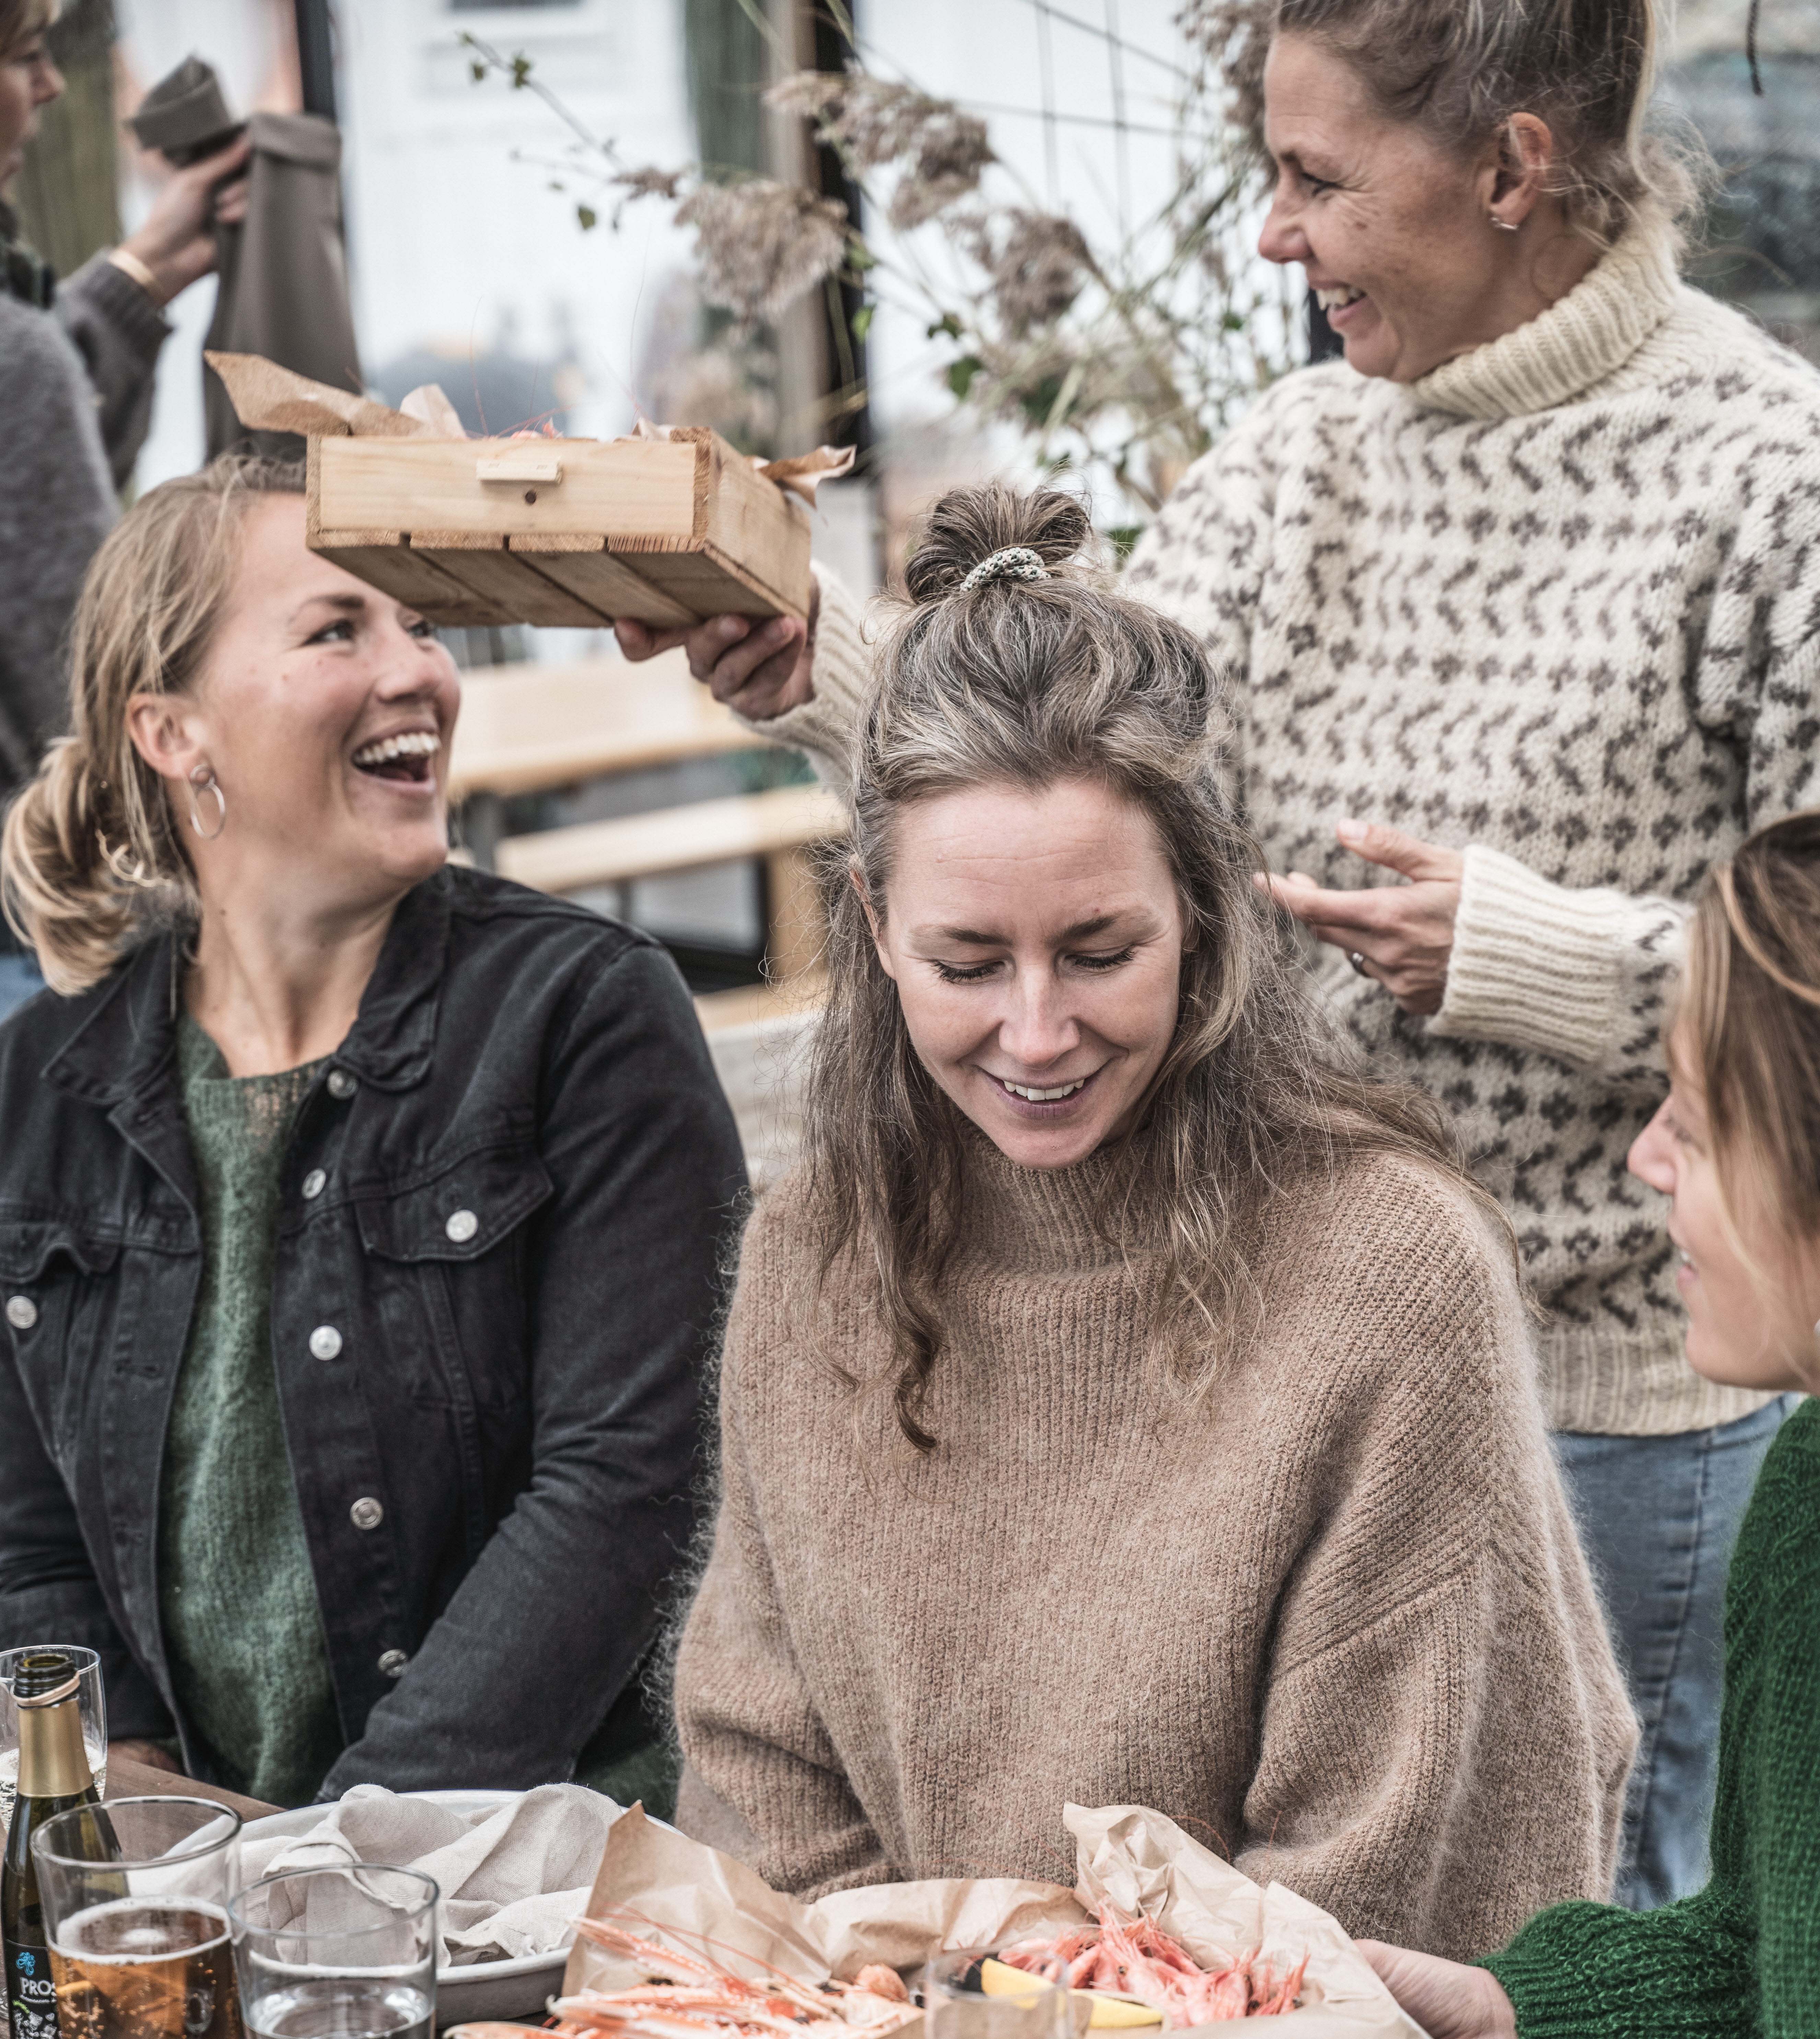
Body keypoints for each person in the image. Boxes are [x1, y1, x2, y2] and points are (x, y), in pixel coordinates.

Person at [622, 0, 1820, 1913]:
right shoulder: (1296, 456)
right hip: (1234, 1322)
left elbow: (1807, 984)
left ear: (1509, 167)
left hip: (1614, 1379)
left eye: (1316, 179)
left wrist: (1516, 955)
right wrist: (837, 671)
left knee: (1592, 1918)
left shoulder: (1770, 479)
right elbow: (1090, 768)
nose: (1270, 233)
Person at [670, 486, 1634, 1962]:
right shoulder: (813, 1252)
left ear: (1203, 913)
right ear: (874, 927)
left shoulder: (1387, 1272)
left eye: (1100, 950)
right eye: (968, 960)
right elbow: (760, 1760)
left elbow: (1385, 1858)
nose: (1037, 1031)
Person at [0, 456, 746, 1809]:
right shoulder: (42, 1080)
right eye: (338, 628)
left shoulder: (581, 1015)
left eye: (424, 626)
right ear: (171, 730)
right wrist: (129, 1801)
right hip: (177, 1891)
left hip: (514, 1891)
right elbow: (23, 1536)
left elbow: (625, 1492)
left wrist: (335, 1872)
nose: (420, 674)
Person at [1358, 811, 1820, 2039]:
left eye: (1701, 1121)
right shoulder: (1804, 1486)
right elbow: (1761, 1948)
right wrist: (1513, 2004)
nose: (1645, 1155)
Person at [0, 0, 249, 1018]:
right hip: (33, 958)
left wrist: (137, 282)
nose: (52, 88)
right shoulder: (17, 364)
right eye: (22, 57)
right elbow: (91, 716)